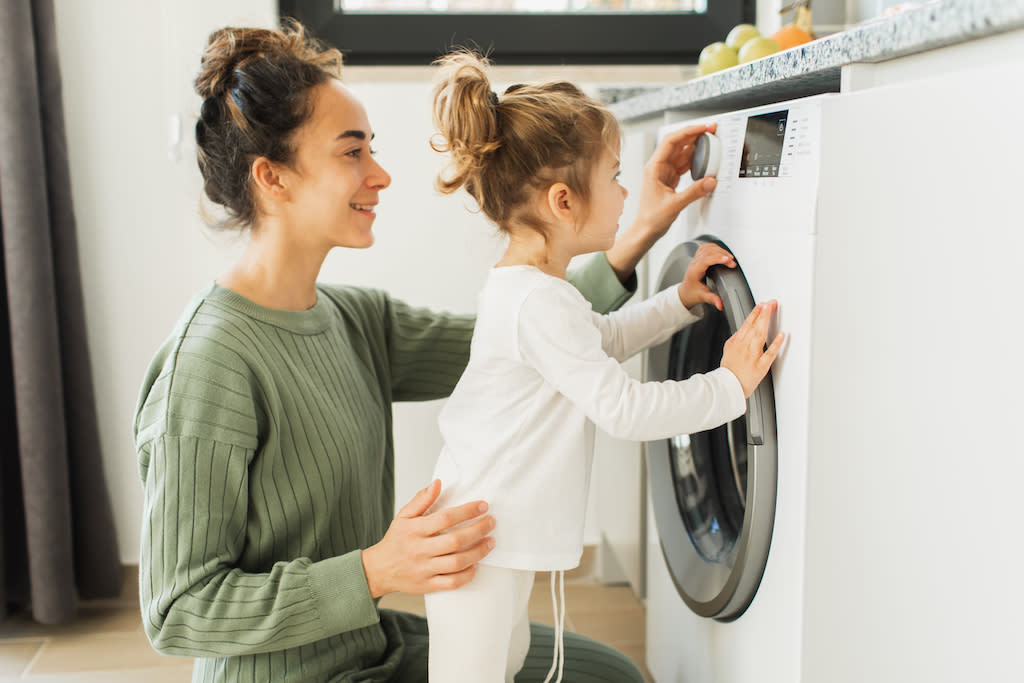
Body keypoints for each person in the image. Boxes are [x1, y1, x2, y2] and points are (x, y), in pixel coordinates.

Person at [133, 20, 727, 683]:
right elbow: (178, 609)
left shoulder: (355, 320)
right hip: (290, 675)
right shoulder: (208, 365)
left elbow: (523, 342)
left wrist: (633, 229)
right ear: (273, 179)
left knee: (609, 676)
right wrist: (375, 570)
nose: (381, 174)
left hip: (371, 643)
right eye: (352, 152)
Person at [422, 52, 784, 683]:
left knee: (497, 668)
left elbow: (605, 337)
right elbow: (625, 409)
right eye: (615, 177)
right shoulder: (535, 301)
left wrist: (677, 303)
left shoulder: (536, 290)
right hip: (470, 546)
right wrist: (728, 386)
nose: (625, 192)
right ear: (563, 202)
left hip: (483, 536)